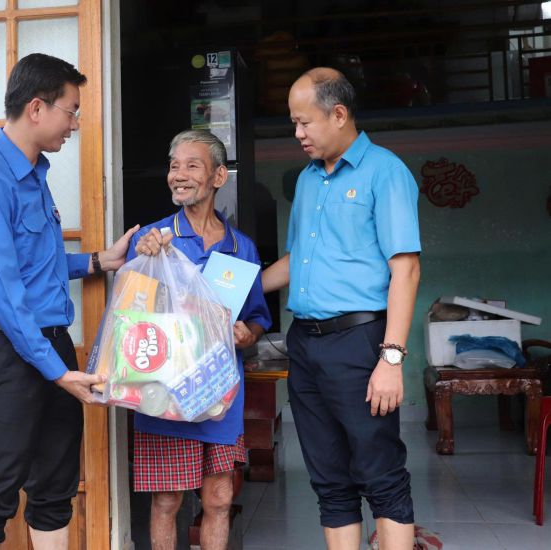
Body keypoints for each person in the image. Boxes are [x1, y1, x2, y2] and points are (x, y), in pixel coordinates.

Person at [0, 53, 137, 550]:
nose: (75, 124)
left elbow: (38, 265)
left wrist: (99, 261)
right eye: (71, 111)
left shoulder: (35, 174)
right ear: (37, 108)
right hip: (7, 353)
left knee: (54, 485)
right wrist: (56, 371)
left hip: (50, 346)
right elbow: (4, 294)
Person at [262, 67, 421, 550]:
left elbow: (406, 270)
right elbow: (296, 262)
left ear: (338, 114)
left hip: (360, 343)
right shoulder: (308, 182)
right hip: (305, 344)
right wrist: (227, 295)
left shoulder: (385, 171)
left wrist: (391, 358)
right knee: (328, 477)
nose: (298, 134)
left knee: (380, 474)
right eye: (293, 123)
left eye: (304, 122)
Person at [129, 129, 271, 550]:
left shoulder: (240, 248)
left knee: (220, 497)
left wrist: (250, 333)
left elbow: (258, 316)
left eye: (192, 165)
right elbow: (130, 316)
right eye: (174, 166)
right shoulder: (154, 240)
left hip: (221, 392)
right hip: (165, 393)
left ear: (218, 177)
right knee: (168, 499)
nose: (179, 175)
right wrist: (142, 254)